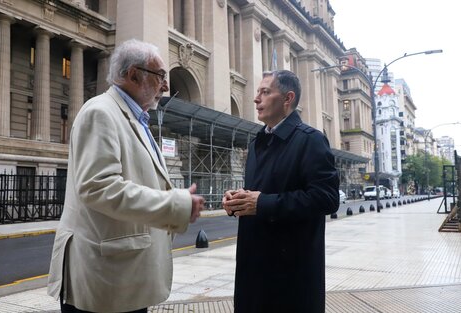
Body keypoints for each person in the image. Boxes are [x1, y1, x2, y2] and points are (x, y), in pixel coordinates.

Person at [47, 39, 205, 313]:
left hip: (124, 278)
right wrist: (173, 205)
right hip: (105, 282)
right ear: (133, 75)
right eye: (161, 77)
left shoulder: (135, 118)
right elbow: (98, 187)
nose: (166, 86)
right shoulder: (100, 112)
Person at [222, 70, 339, 313]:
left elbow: (326, 198)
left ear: (287, 99)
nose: (256, 99)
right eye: (258, 92)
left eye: (265, 92)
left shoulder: (311, 140)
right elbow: (260, 194)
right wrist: (238, 201)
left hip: (290, 277)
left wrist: (262, 203)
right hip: (252, 271)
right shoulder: (257, 143)